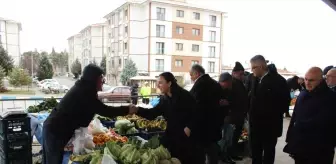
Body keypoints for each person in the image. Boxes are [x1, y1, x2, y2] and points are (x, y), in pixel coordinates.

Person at [42, 64, 136, 164]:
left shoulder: (84, 88)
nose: (103, 81)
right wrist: (127, 109)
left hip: (57, 130)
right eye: (101, 78)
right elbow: (106, 111)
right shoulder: (85, 92)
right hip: (54, 131)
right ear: (93, 79)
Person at [134, 72, 203, 164]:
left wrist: (189, 127)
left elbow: (197, 113)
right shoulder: (164, 99)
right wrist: (136, 110)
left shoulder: (185, 96)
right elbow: (152, 114)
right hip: (171, 134)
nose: (158, 85)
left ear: (169, 83)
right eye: (157, 82)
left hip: (186, 137)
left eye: (160, 82)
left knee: (185, 159)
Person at [284, 67, 336, 164]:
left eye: (311, 80)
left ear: (321, 80)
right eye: (306, 79)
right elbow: (295, 117)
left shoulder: (331, 98)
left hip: (320, 150)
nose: (307, 83)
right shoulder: (303, 94)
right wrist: (290, 138)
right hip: (300, 147)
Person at [249, 55, 291, 164]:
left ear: (262, 66)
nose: (252, 70)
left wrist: (269, 113)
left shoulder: (278, 81)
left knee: (268, 153)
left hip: (270, 126)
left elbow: (284, 103)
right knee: (255, 153)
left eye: (253, 67)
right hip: (255, 125)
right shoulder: (254, 78)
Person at [189, 64, 223, 164]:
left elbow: (191, 102)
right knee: (212, 151)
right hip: (215, 124)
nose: (191, 77)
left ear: (197, 73)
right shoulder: (215, 83)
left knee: (201, 153)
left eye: (191, 75)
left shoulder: (199, 85)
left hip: (202, 126)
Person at [228, 62, 249, 161]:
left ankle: (234, 153)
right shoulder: (232, 83)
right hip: (234, 115)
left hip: (240, 115)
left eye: (243, 74)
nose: (242, 76)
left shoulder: (239, 83)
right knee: (232, 137)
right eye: (240, 74)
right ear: (234, 73)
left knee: (236, 136)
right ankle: (231, 154)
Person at [217, 72, 235, 164]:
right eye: (230, 82)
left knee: (228, 139)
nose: (231, 84)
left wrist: (228, 103)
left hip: (227, 118)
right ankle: (220, 157)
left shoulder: (228, 90)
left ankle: (225, 156)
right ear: (225, 81)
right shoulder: (216, 89)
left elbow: (231, 102)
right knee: (221, 140)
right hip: (219, 120)